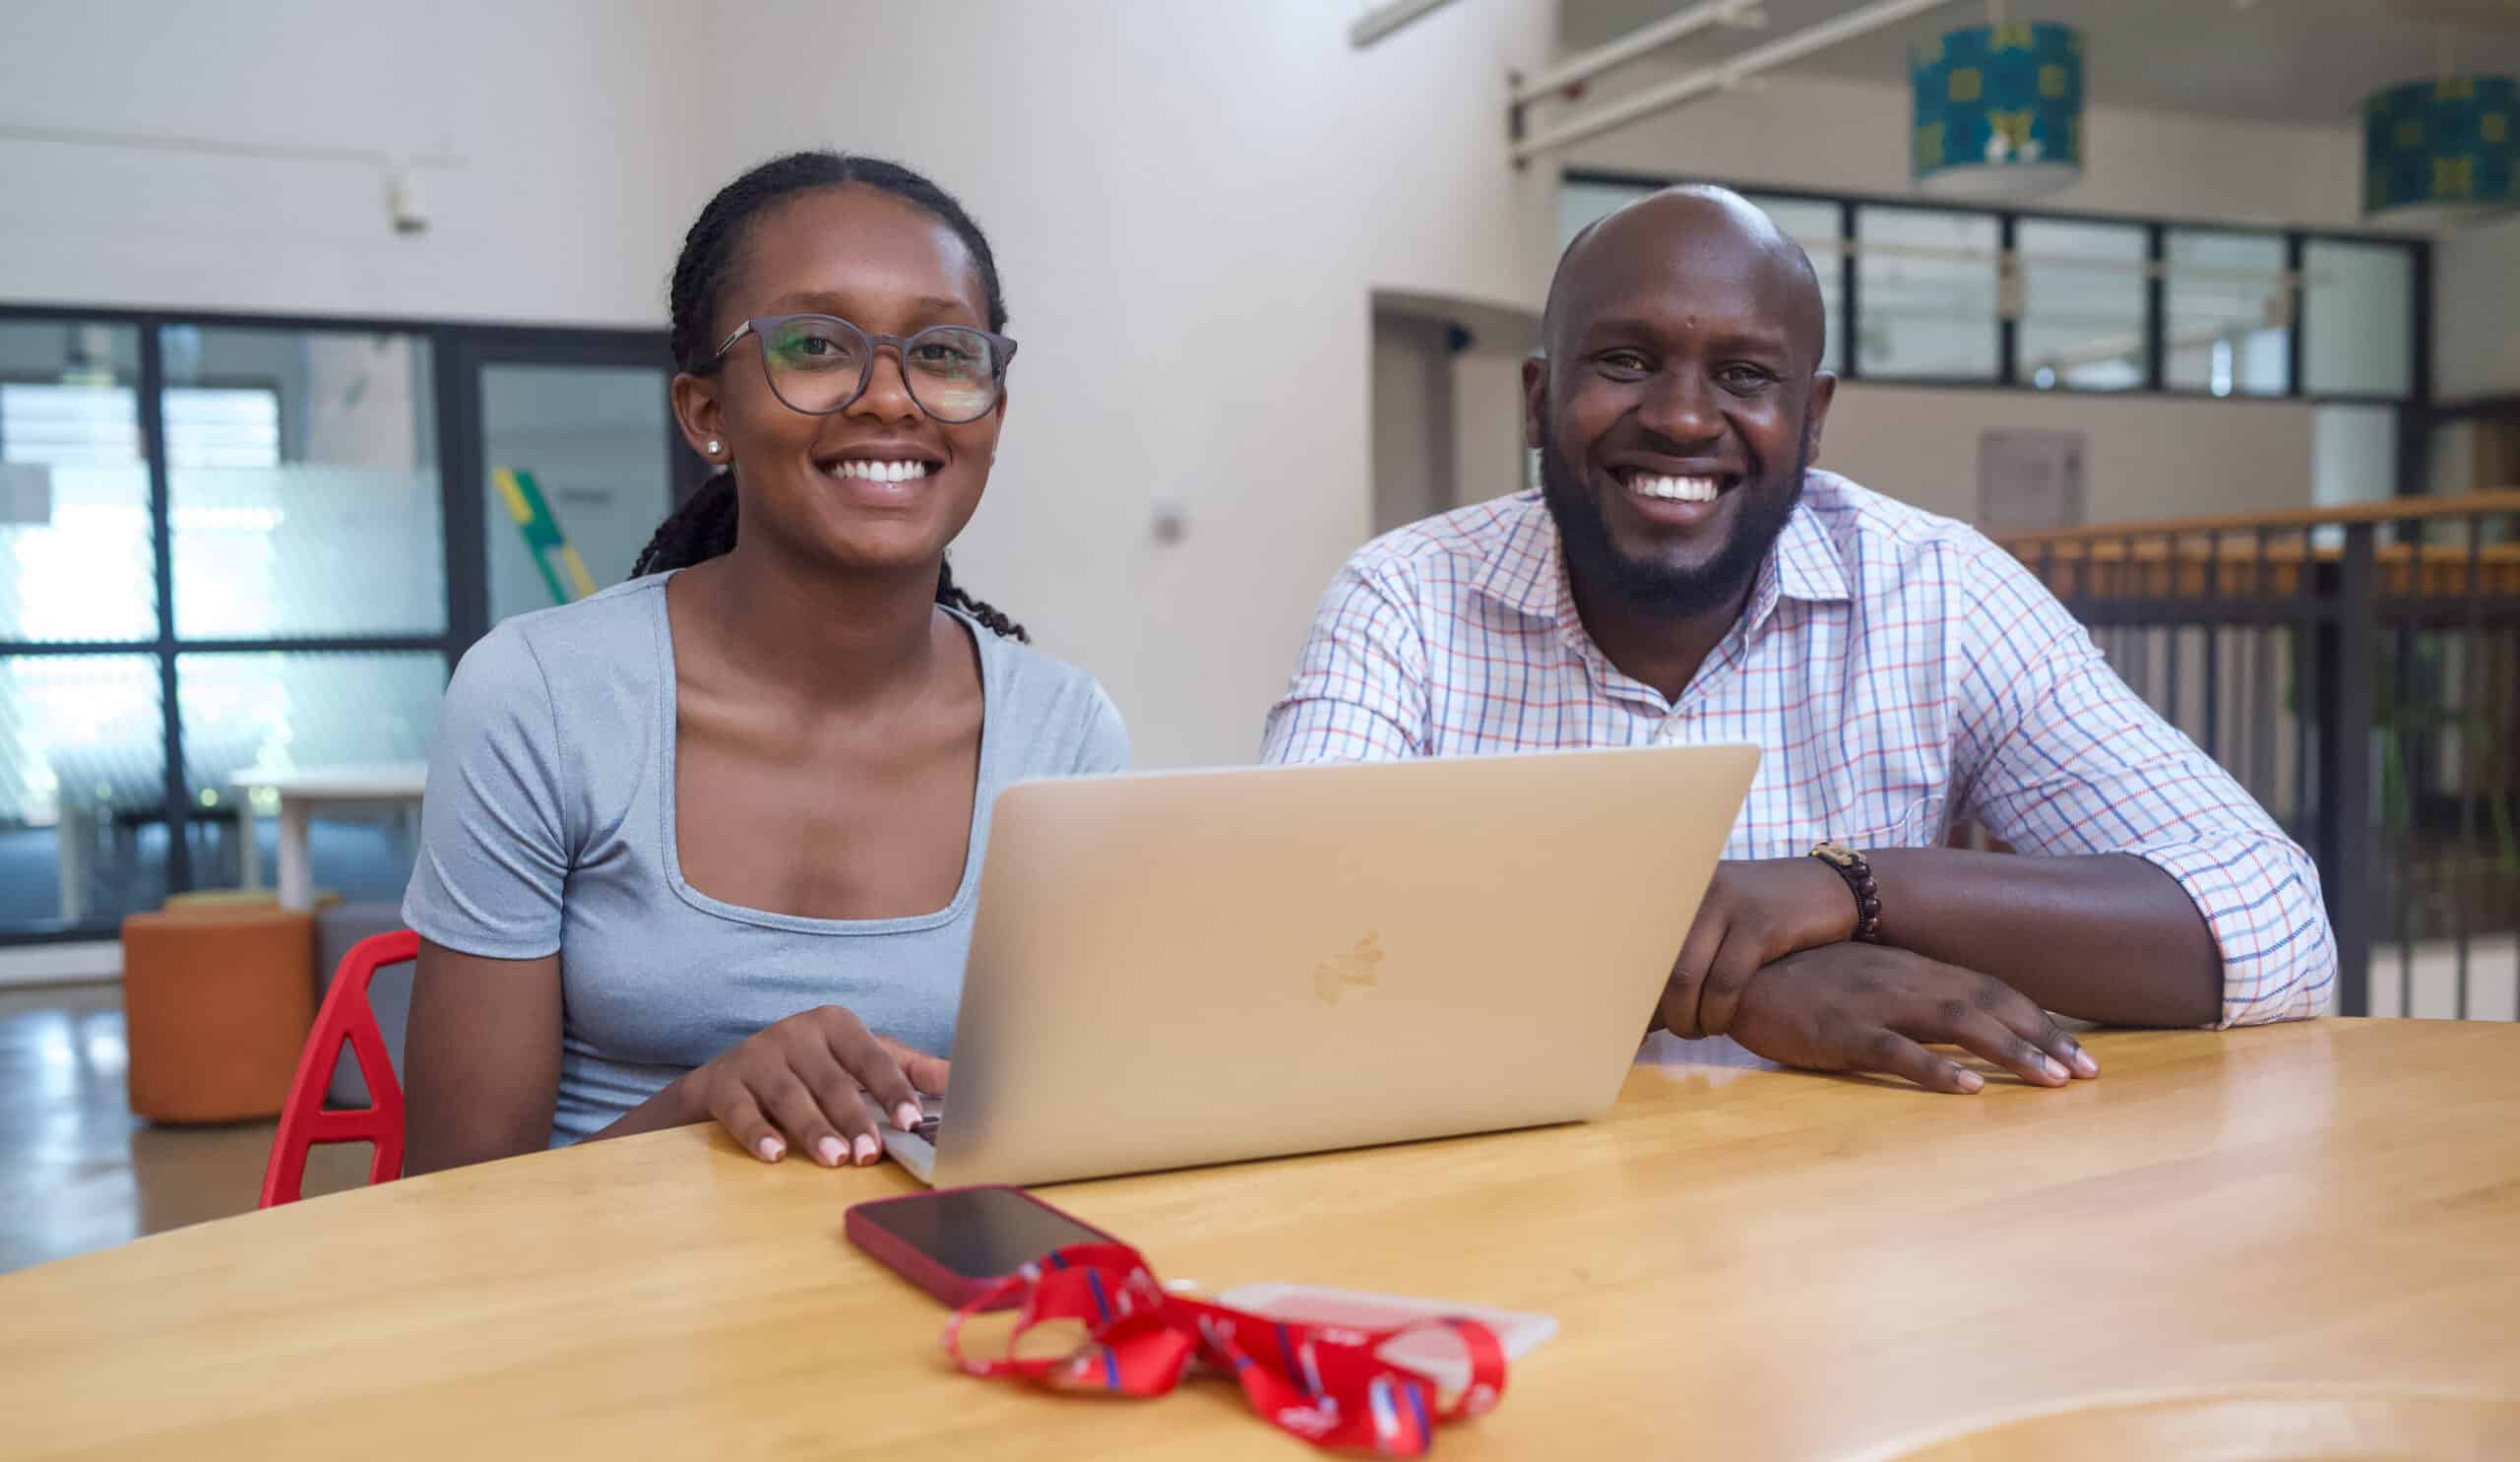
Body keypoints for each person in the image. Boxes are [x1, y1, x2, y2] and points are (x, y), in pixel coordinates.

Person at [1262, 185, 2332, 1094]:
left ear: (1811, 419)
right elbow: (1289, 931)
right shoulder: (1404, 595)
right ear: (1541, 397)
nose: (1683, 418)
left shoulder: (1936, 588)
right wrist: (1745, 986)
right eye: (1626, 361)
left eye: (1744, 377)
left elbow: (2279, 929)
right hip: (1504, 1211)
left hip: (1851, 1246)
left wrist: (1847, 891)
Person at [401, 152, 1125, 1174]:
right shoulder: (540, 699)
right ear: (707, 414)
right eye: (816, 345)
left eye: (945, 353)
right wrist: (704, 1102)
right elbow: (451, 1198)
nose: (891, 398)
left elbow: (1075, 1141)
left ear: (993, 413)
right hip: (591, 1310)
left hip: (936, 1306)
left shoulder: (1066, 734)